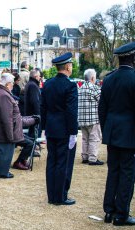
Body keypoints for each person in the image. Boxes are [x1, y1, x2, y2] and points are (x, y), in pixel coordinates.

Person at [99, 41, 135, 226]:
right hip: (130, 135)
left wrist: (107, 130)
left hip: (113, 132)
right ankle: (121, 214)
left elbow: (102, 109)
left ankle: (108, 211)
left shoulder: (109, 78)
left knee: (113, 172)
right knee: (127, 174)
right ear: (133, 58)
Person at [41, 52, 78, 205]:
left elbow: (43, 108)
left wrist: (43, 128)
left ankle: (52, 196)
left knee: (52, 162)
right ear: (68, 67)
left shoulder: (48, 83)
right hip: (64, 129)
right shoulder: (70, 85)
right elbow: (71, 111)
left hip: (51, 127)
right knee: (63, 163)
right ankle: (60, 196)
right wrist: (73, 132)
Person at [0, 73, 23, 179]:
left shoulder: (0, 92)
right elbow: (7, 118)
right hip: (3, 131)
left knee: (3, 151)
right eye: (12, 83)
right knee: (4, 151)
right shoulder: (3, 95)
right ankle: (2, 172)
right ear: (8, 84)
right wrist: (10, 135)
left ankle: (2, 171)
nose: (13, 85)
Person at [78, 69, 103, 165]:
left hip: (81, 119)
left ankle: (85, 157)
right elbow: (101, 102)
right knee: (94, 138)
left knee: (85, 138)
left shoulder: (80, 88)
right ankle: (92, 158)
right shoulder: (95, 88)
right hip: (93, 119)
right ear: (92, 78)